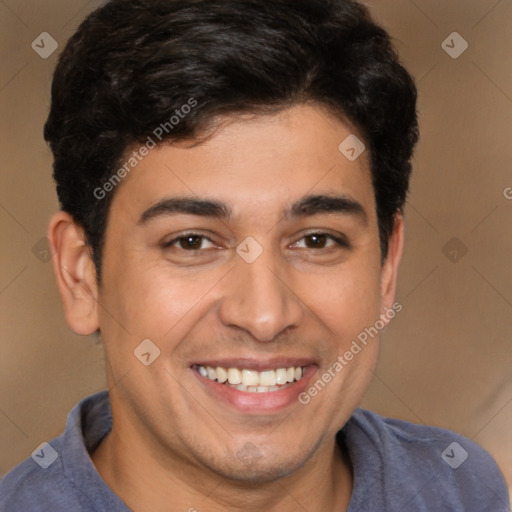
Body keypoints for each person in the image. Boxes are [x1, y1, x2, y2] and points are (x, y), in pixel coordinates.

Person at [0, 0, 508, 510]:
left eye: (316, 240)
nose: (265, 316)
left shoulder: (462, 489)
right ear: (81, 275)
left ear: (386, 267)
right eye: (192, 242)